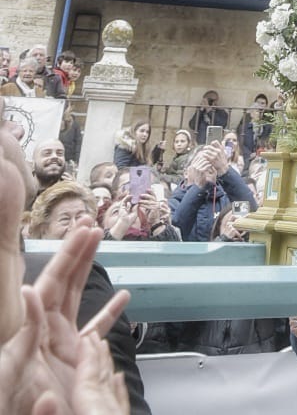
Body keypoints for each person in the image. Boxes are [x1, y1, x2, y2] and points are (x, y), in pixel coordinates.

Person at [23, 179, 151, 414]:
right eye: (64, 219)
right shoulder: (81, 274)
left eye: (82, 217)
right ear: (41, 231)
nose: (76, 226)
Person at [169, 140, 256, 242]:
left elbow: (250, 212)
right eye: (201, 163)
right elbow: (177, 231)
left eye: (212, 164)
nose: (207, 168)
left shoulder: (227, 200)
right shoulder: (174, 201)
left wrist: (225, 171)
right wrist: (199, 187)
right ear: (186, 173)